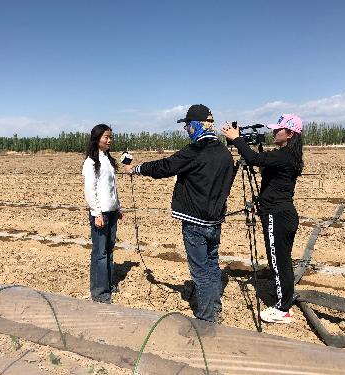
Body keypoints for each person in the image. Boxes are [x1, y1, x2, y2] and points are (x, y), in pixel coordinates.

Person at [124, 104, 234, 323]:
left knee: (200, 271)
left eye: (187, 126)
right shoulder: (224, 152)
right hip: (215, 221)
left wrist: (136, 169)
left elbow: (165, 167)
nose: (186, 130)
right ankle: (214, 308)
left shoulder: (195, 150)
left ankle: (206, 319)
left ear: (194, 125)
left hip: (195, 222)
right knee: (212, 266)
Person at [221, 114, 304, 324]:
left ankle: (282, 309)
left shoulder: (285, 156)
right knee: (282, 262)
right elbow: (262, 161)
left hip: (278, 215)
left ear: (290, 134)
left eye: (278, 129)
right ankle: (285, 299)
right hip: (281, 214)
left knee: (277, 262)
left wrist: (236, 139)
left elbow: (254, 159)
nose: (274, 132)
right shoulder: (286, 155)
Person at [82, 124, 122, 303]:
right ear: (97, 139)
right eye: (106, 137)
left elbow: (112, 188)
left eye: (110, 137)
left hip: (111, 212)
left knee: (109, 249)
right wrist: (96, 213)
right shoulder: (91, 162)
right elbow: (91, 190)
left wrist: (118, 207)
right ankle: (99, 293)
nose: (109, 140)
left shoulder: (107, 160)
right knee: (100, 253)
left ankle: (109, 284)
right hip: (101, 213)